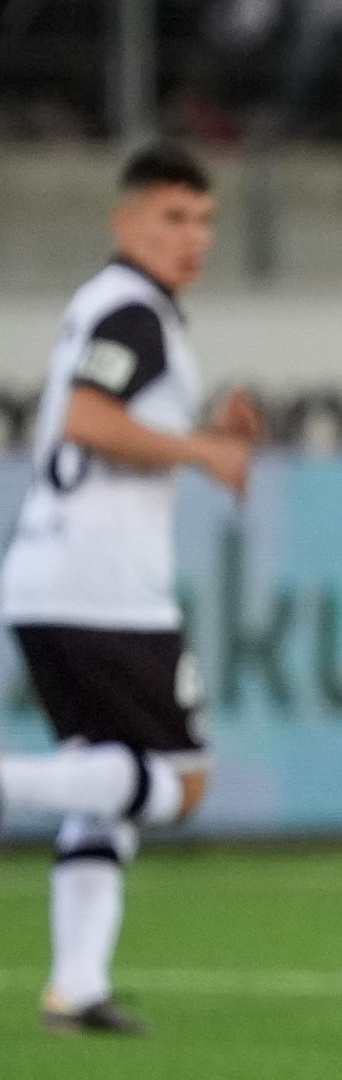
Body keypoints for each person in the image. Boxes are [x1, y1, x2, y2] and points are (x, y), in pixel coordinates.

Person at [0, 143, 262, 1035]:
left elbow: (102, 420)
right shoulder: (133, 312)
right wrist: (204, 449)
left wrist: (199, 433)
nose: (193, 237)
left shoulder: (112, 308)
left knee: (100, 778)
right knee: (181, 782)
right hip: (102, 584)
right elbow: (87, 418)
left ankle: (76, 985)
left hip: (46, 576)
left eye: (204, 220)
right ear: (126, 220)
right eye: (172, 217)